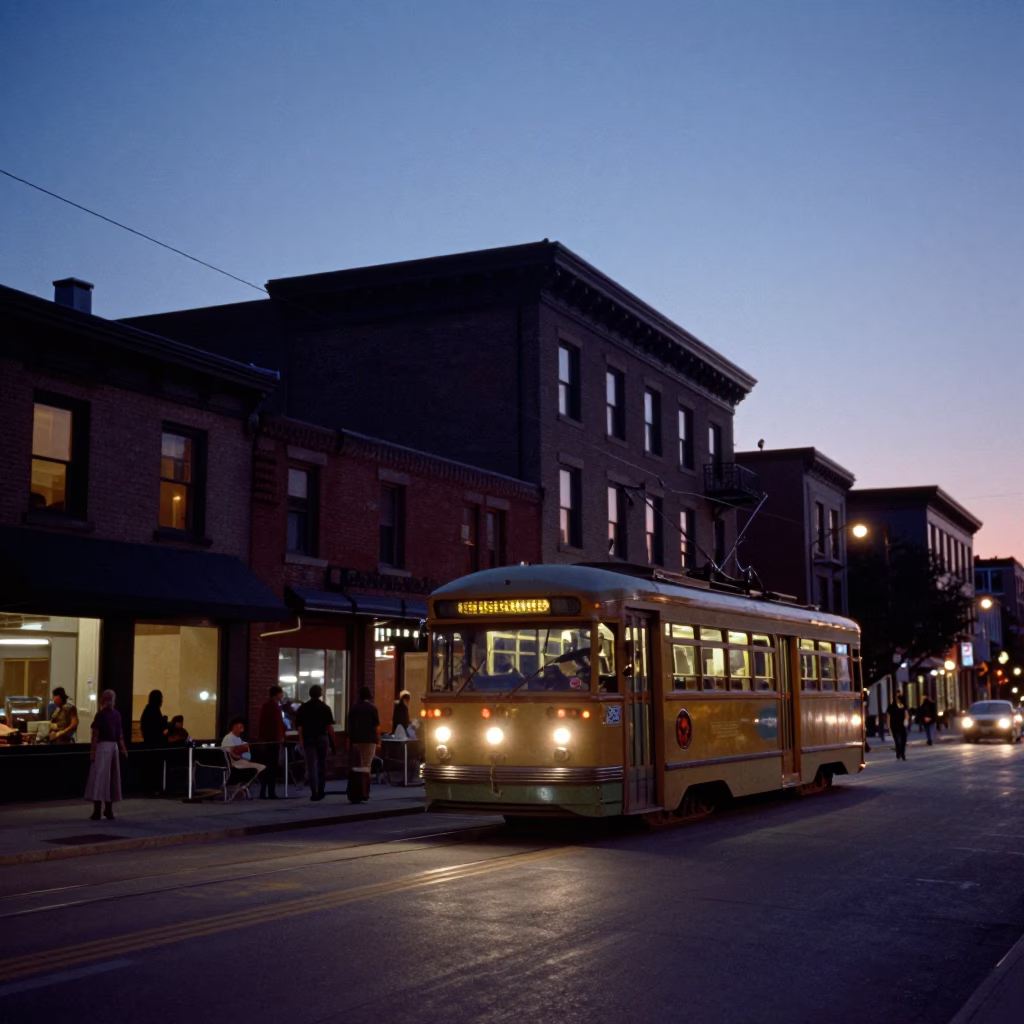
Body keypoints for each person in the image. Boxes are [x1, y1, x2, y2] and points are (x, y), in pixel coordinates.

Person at [84, 689, 128, 820]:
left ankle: (97, 810)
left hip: (102, 747)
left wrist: (92, 751)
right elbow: (120, 735)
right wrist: (123, 749)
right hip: (113, 747)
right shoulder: (117, 715)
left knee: (99, 778)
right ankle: (108, 809)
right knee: (111, 779)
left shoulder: (100, 715)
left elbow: (95, 735)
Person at [296, 685, 336, 802]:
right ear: (320, 694)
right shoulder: (325, 707)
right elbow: (329, 727)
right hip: (322, 738)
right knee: (322, 765)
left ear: (309, 693)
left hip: (308, 738)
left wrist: (301, 739)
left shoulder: (303, 708)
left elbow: (300, 726)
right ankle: (321, 790)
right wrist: (333, 742)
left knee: (311, 765)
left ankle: (314, 791)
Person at [347, 686, 380, 804]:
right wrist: (378, 740)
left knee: (356, 766)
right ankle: (364, 792)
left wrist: (349, 742)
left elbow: (349, 728)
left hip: (356, 741)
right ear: (369, 696)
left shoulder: (354, 709)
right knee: (366, 766)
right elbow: (376, 727)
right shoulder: (372, 709)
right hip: (369, 741)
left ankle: (355, 791)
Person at [221, 717, 265, 794]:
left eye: (241, 726)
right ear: (233, 727)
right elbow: (230, 753)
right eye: (237, 726)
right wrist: (241, 754)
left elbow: (245, 753)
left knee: (262, 767)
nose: (240, 728)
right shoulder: (229, 738)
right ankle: (242, 788)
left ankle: (244, 787)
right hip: (236, 763)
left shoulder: (239, 739)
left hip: (243, 761)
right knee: (260, 767)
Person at [257, 685, 286, 799]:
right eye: (280, 693)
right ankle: (270, 792)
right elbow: (275, 725)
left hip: (268, 741)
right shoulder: (273, 707)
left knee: (267, 766)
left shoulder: (267, 706)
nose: (282, 695)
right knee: (272, 766)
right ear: (276, 694)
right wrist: (280, 736)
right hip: (272, 741)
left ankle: (264, 791)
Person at [139, 689, 168, 797]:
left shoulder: (148, 710)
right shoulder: (154, 710)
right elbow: (157, 727)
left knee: (150, 768)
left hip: (149, 744)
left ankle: (151, 789)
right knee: (154, 768)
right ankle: (154, 789)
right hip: (155, 745)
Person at [886, 691, 909, 761]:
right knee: (900, 740)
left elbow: (907, 715)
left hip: (898, 725)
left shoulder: (894, 707)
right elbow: (888, 717)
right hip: (897, 725)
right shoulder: (897, 707)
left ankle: (900, 753)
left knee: (900, 740)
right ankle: (900, 753)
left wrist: (889, 725)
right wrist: (889, 726)